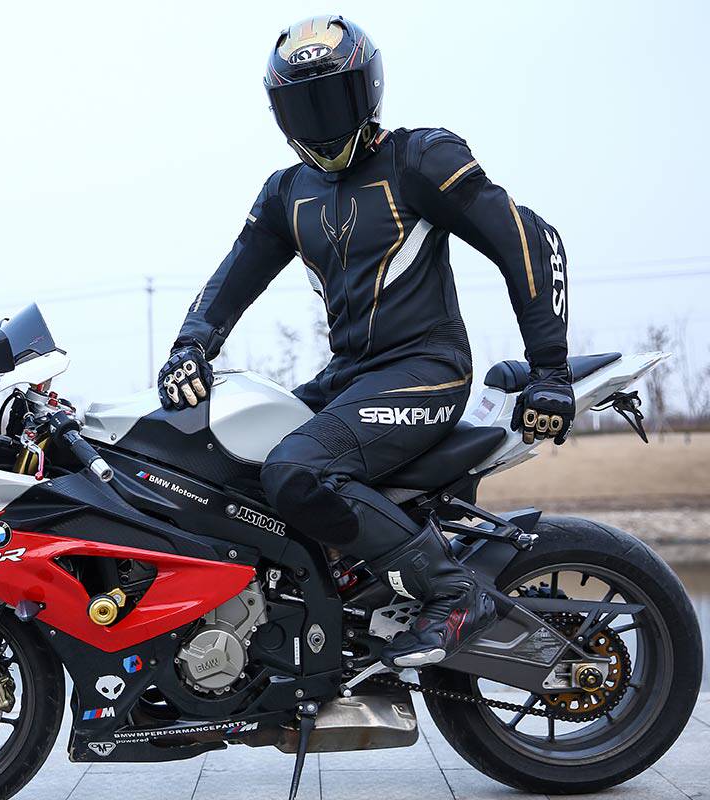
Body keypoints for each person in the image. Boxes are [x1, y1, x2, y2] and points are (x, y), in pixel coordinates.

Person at [157, 15, 575, 669]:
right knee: (224, 463)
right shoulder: (286, 193)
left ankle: (452, 593)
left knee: (296, 471)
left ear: (368, 91)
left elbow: (527, 240)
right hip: (350, 375)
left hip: (426, 370)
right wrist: (189, 348)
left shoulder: (420, 158)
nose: (320, 122)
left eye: (332, 100)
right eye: (303, 106)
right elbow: (230, 280)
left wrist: (550, 370)